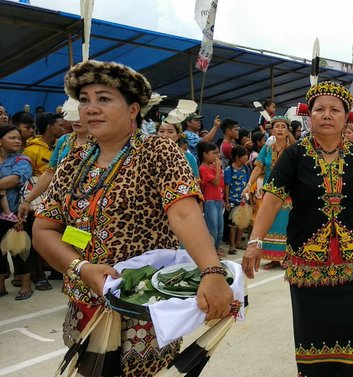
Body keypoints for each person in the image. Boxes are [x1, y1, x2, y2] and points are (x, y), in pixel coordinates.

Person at [32, 60, 233, 375]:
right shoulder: (73, 162)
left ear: (133, 109)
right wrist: (81, 268)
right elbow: (44, 228)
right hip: (85, 299)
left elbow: (184, 213)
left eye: (104, 98)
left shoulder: (158, 152)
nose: (91, 108)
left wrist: (211, 270)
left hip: (141, 303)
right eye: (84, 100)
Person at [242, 81, 353, 376]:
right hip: (307, 261)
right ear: (309, 116)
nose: (327, 115)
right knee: (313, 330)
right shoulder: (294, 155)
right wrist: (255, 242)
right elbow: (273, 198)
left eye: (335, 110)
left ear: (346, 117)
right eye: (320, 109)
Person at [243, 116, 292, 269]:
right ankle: (274, 258)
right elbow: (258, 168)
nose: (280, 129)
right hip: (270, 192)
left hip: (288, 192)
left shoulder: (292, 149)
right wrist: (249, 184)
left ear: (288, 131)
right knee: (271, 224)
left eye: (283, 127)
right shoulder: (267, 148)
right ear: (272, 129)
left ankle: (286, 257)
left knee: (286, 224)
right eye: (277, 126)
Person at [0, 126, 33, 300]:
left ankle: (26, 285)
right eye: (12, 138)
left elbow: (15, 179)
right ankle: (1, 287)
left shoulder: (22, 159)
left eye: (18, 138)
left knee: (19, 250)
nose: (17, 141)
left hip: (15, 212)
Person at [198, 142, 225, 253]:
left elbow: (220, 184)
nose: (217, 156)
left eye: (218, 153)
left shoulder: (213, 166)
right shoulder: (203, 168)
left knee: (220, 226)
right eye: (214, 153)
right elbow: (215, 181)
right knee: (212, 226)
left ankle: (217, 247)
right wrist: (218, 167)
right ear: (205, 154)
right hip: (209, 200)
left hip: (218, 199)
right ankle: (212, 249)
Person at [224, 145, 250, 255]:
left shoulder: (246, 169)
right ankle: (232, 244)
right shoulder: (229, 169)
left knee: (242, 222)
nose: (246, 156)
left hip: (244, 199)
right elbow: (227, 186)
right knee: (232, 223)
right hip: (232, 199)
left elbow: (249, 183)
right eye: (244, 155)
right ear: (237, 157)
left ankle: (239, 242)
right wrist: (226, 200)